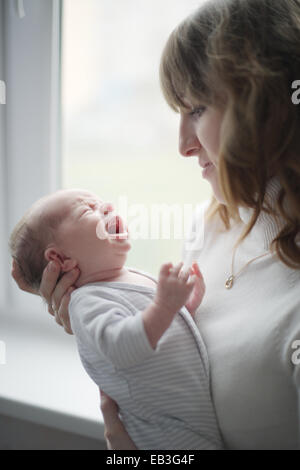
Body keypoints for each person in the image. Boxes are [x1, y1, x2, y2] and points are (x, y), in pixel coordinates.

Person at [12, 0, 300, 450]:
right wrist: (97, 307)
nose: (183, 146)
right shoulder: (214, 220)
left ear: (266, 107)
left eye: (198, 109)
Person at [9, 188, 223, 450]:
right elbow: (123, 347)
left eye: (101, 202)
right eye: (87, 209)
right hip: (164, 436)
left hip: (188, 422)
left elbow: (160, 334)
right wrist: (166, 305)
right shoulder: (86, 302)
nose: (108, 206)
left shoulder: (124, 277)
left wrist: (185, 305)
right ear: (59, 258)